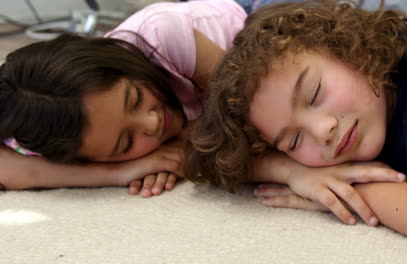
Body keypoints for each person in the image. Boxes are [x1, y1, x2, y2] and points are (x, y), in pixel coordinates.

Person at [186, 0, 407, 258]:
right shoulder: (371, 105)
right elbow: (212, 160)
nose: (322, 131)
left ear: (355, 50)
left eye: (315, 94)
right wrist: (296, 173)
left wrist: (352, 191)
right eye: (294, 141)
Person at [0, 0, 246, 197]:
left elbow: (248, 120)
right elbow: (11, 169)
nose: (152, 123)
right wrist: (120, 172)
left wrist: (189, 144)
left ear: (118, 62)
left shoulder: (163, 34)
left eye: (136, 99)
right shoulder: (41, 123)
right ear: (87, 159)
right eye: (126, 142)